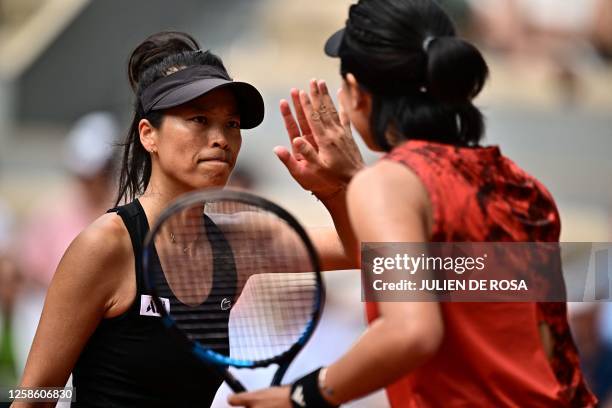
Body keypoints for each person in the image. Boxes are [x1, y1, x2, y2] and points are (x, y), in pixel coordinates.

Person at [228, 0, 598, 407]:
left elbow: (412, 331)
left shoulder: (391, 184)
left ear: (356, 94)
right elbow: (447, 280)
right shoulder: (521, 187)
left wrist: (303, 396)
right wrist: (343, 188)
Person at [14, 31, 360, 408]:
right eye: (199, 119)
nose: (221, 139)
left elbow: (378, 260)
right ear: (149, 135)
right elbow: (33, 393)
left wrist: (337, 189)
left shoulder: (241, 241)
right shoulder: (106, 244)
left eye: (231, 124)